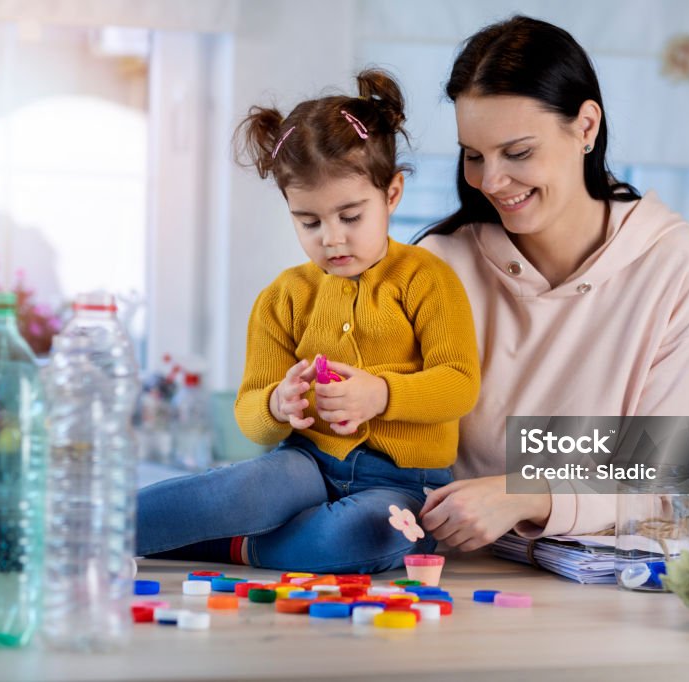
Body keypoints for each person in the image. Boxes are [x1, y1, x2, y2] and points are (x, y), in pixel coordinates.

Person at [135, 69, 481, 573]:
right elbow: (250, 412)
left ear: (392, 194)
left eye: (351, 216)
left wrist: (382, 395)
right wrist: (278, 403)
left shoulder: (427, 278)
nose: (332, 239)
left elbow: (459, 385)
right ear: (290, 210)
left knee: (368, 535)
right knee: (237, 491)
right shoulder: (284, 297)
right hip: (305, 465)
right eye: (310, 222)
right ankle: (79, 529)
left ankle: (236, 547)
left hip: (401, 482)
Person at [417, 16, 689, 550]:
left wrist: (528, 495)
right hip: (449, 578)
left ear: (586, 127)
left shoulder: (678, 268)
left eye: (517, 153)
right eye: (473, 156)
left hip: (600, 592)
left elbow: (657, 483)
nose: (491, 181)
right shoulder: (438, 265)